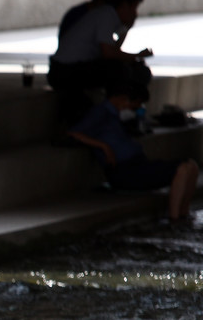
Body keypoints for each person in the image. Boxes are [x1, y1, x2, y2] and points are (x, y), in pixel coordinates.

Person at [68, 84, 199, 223]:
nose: (134, 109)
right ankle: (174, 218)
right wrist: (104, 146)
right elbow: (74, 133)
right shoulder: (100, 113)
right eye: (134, 105)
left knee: (192, 166)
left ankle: (183, 214)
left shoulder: (117, 115)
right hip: (124, 170)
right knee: (183, 169)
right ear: (123, 99)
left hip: (138, 164)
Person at [48, 0, 151, 122]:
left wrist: (126, 29)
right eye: (134, 8)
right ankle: (116, 115)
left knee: (133, 70)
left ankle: (126, 112)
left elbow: (113, 50)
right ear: (124, 5)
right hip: (64, 71)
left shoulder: (107, 16)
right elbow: (109, 54)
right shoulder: (105, 15)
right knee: (119, 70)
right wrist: (137, 55)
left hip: (70, 69)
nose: (135, 13)